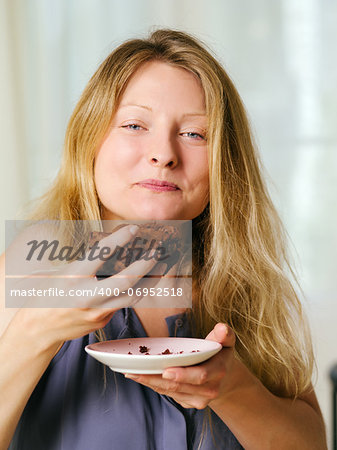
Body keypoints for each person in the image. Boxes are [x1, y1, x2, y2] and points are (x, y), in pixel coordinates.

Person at [0, 29, 327, 449]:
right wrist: (33, 331)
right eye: (135, 124)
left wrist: (233, 390)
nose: (164, 154)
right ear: (90, 140)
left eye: (195, 134)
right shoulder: (36, 261)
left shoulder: (247, 285)